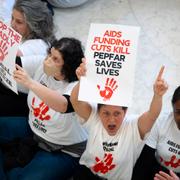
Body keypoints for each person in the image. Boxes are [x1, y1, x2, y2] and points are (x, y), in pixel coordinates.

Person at [0, 37, 88, 180]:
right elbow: (11, 61)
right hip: (32, 130)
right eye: (49, 54)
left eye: (55, 59)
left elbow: (63, 105)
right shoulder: (42, 63)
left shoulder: (77, 87)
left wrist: (30, 82)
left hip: (62, 149)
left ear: (68, 66)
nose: (47, 60)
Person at [70, 60, 168, 180]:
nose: (111, 119)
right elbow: (75, 101)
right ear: (98, 111)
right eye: (106, 113)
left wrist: (158, 96)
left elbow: (152, 115)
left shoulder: (134, 126)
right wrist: (82, 81)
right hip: (87, 175)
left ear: (125, 112)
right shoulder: (94, 118)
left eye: (117, 113)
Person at [0, 0, 55, 116]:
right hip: (6, 81)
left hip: (20, 96)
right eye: (12, 18)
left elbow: (10, 53)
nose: (13, 24)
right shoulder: (17, 30)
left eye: (19, 22)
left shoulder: (40, 45)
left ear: (33, 25)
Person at [132, 86, 180, 180]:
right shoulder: (161, 121)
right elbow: (144, 162)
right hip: (157, 171)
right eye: (178, 112)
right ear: (172, 107)